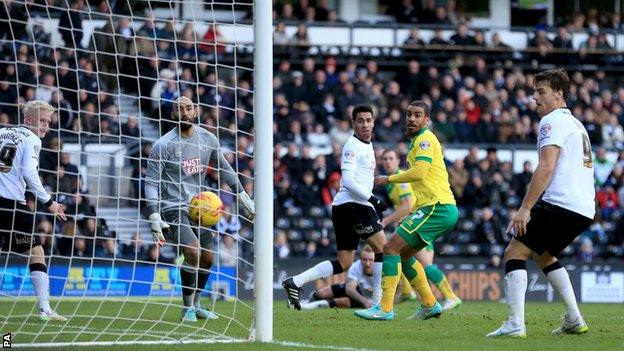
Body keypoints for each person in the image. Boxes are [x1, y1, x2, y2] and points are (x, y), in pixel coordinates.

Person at [487, 69, 595, 338]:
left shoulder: (551, 122)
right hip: (583, 208)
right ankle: (573, 318)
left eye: (541, 91)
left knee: (514, 252)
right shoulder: (577, 124)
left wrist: (525, 208)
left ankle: (515, 324)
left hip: (561, 202)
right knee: (543, 254)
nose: (534, 97)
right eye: (534, 91)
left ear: (559, 94)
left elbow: (546, 167)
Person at [145, 96, 255, 322]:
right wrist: (153, 213)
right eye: (179, 109)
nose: (184, 113)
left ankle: (196, 304)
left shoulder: (208, 139)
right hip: (172, 209)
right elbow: (151, 182)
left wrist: (242, 194)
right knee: (193, 251)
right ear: (172, 115)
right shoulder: (163, 145)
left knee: (208, 258)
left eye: (188, 108)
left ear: (195, 112)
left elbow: (225, 169)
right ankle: (186, 309)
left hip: (199, 208)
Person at [355, 100, 458, 321]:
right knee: (403, 254)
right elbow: (424, 183)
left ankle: (384, 308)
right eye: (409, 114)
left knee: (390, 248)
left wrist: (387, 179)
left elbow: (420, 173)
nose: (411, 118)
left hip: (437, 207)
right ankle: (430, 304)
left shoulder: (424, 140)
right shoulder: (417, 142)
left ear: (426, 120)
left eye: (417, 115)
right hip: (433, 207)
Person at [282, 104, 387, 310]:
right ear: (353, 123)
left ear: (373, 122)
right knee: (383, 248)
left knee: (344, 262)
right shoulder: (352, 146)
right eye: (360, 121)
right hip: (353, 204)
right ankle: (377, 304)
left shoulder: (367, 144)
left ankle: (295, 282)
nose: (365, 124)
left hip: (344, 206)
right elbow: (346, 180)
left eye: (368, 120)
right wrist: (373, 199)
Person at [0, 100, 67, 321]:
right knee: (36, 251)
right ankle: (45, 309)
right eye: (42, 120)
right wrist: (49, 202)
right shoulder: (32, 138)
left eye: (48, 121)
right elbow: (29, 172)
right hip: (11, 205)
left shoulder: (2, 132)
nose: (46, 126)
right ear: (28, 119)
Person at [380, 148, 461, 310]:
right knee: (401, 254)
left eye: (391, 158)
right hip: (417, 220)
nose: (388, 162)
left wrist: (385, 221)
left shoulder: (400, 181)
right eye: (385, 159)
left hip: (422, 222)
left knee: (419, 261)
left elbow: (407, 205)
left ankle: (450, 296)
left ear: (398, 161)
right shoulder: (396, 182)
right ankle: (411, 293)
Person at [298, 245, 376, 310]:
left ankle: (305, 307)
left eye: (371, 260)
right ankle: (306, 302)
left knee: (344, 302)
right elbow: (350, 289)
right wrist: (365, 301)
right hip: (360, 294)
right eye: (364, 260)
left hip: (375, 299)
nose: (367, 263)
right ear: (361, 258)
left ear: (375, 260)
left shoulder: (382, 268)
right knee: (321, 293)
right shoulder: (356, 266)